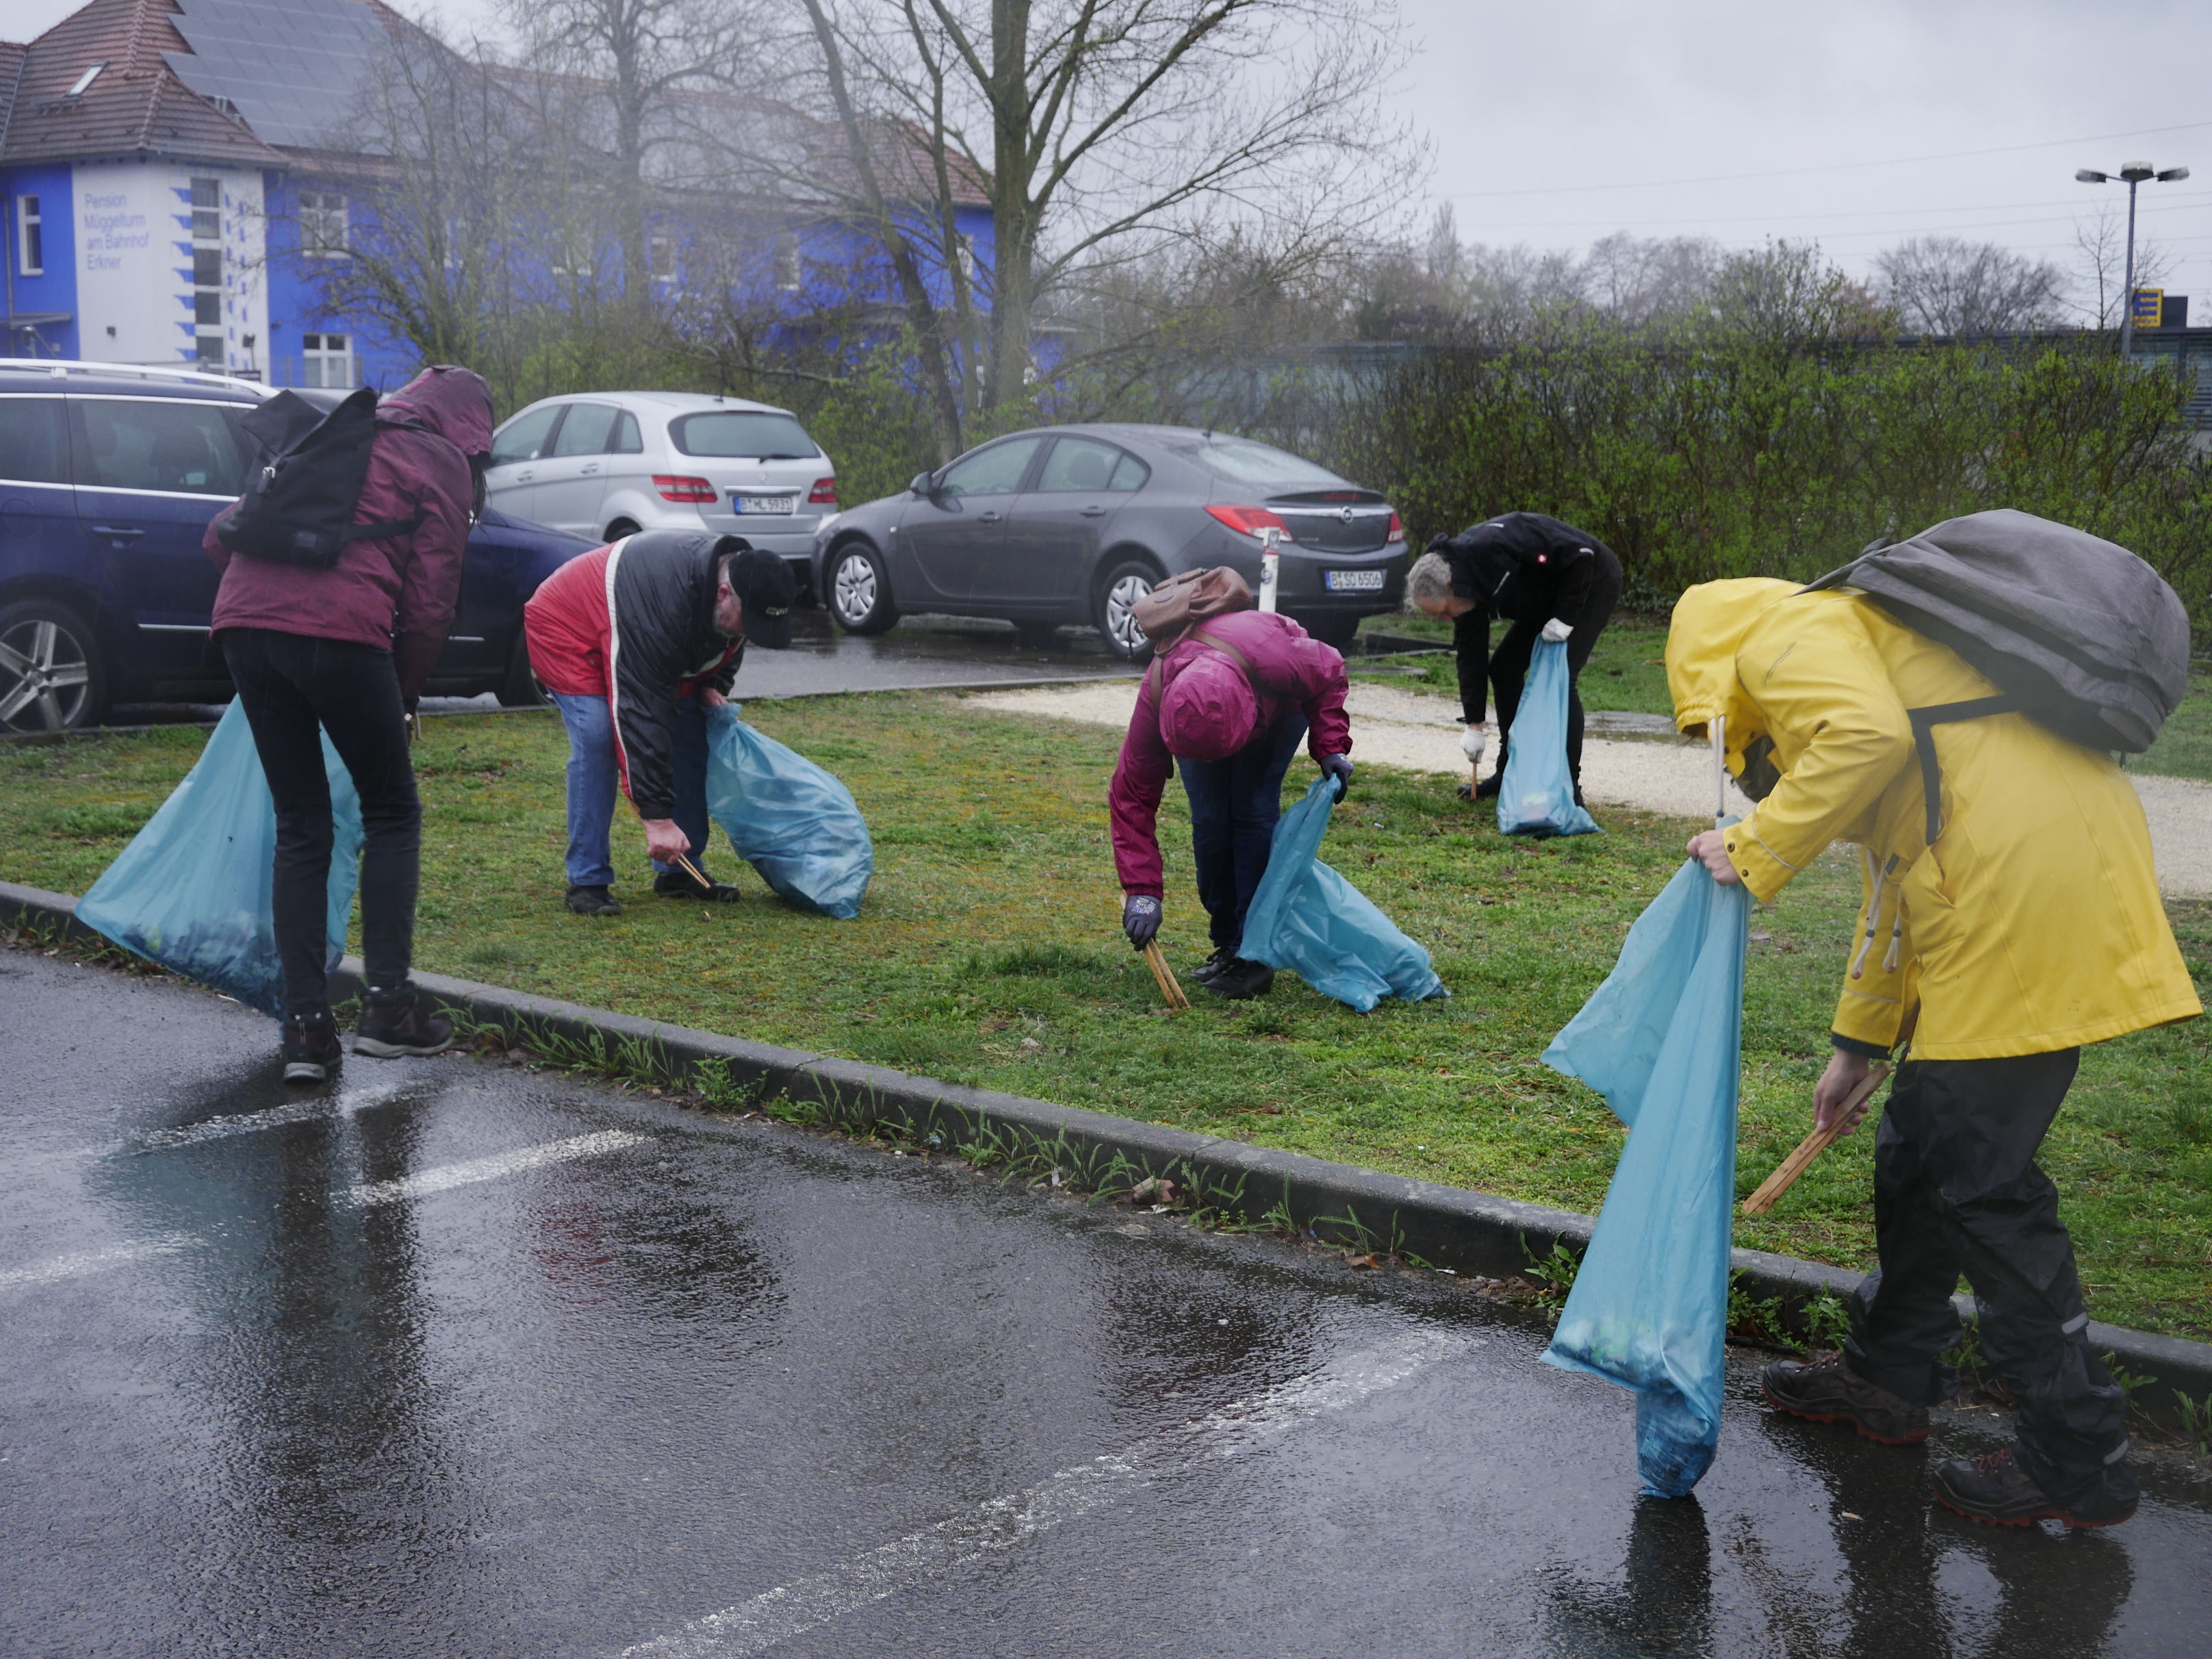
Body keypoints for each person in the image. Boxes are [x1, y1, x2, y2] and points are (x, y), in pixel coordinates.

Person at [1666, 575, 2200, 1530]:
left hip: (2016, 889)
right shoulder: (1864, 656)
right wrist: (1858, 1047)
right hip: (2009, 874)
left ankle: (2077, 1457)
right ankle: (1887, 1377)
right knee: (1920, 1152)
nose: (1771, 783)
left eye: (1764, 772)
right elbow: (1891, 883)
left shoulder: (1779, 634)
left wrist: (1758, 843)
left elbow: (1863, 741)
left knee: (1980, 1183)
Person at [201, 363, 495, 1085]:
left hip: (242, 623)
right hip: (342, 633)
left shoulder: (335, 432)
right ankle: (390, 1010)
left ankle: (304, 1030)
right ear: (470, 427)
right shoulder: (440, 461)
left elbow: (221, 537)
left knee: (303, 823)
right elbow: (430, 602)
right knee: (392, 810)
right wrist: (404, 691)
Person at [524, 529, 795, 916]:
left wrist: (713, 683)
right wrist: (657, 817)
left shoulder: (746, 582)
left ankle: (679, 872)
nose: (748, 635)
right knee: (598, 736)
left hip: (638, 634)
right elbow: (639, 709)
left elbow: (727, 642)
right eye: (748, 622)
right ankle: (587, 879)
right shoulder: (664, 605)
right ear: (722, 595)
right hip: (568, 626)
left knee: (692, 726)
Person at [1109, 597, 1352, 999]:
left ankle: (1254, 955)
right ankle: (1229, 944)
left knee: (1251, 810)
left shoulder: (1275, 659)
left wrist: (1330, 745)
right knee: (1210, 821)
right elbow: (1131, 795)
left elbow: (1328, 670)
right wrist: (1142, 892)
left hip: (1274, 705)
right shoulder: (1158, 695)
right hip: (1201, 705)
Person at [1406, 513, 1622, 803]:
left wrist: (1566, 618)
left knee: (1562, 678)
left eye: (1444, 611)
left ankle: (1569, 789)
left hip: (1590, 581)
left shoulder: (1495, 546)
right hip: (1543, 596)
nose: (1446, 619)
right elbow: (1471, 656)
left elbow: (1580, 556)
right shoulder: (1464, 588)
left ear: (1449, 584)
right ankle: (1508, 772)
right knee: (1504, 669)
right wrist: (1475, 725)